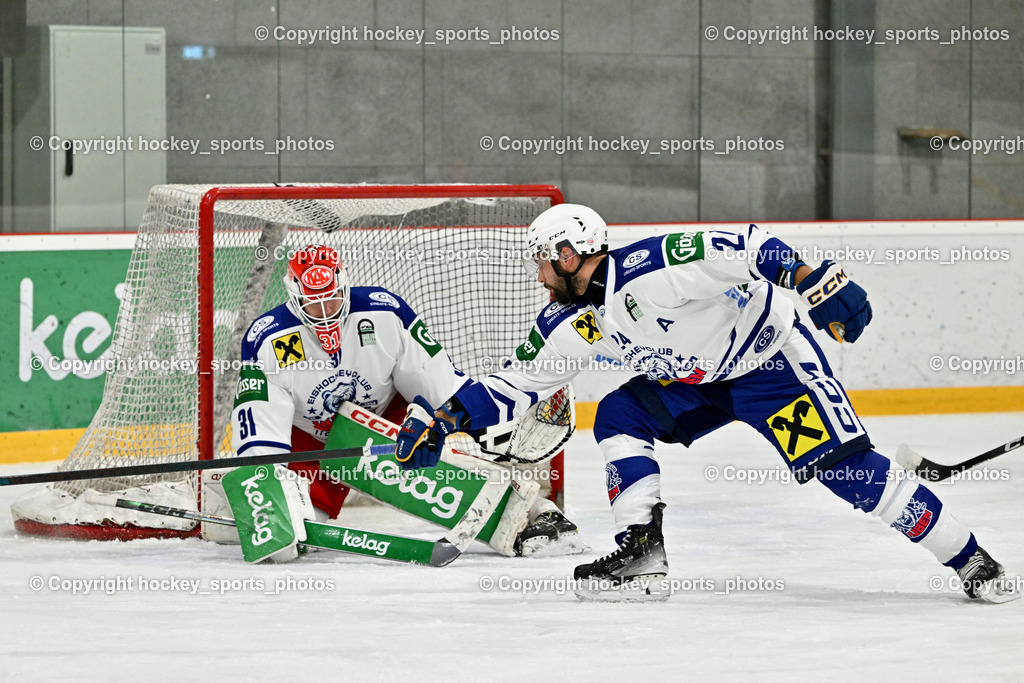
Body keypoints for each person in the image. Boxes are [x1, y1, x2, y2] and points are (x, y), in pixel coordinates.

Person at [396, 204, 1019, 603]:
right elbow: (516, 383)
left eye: (541, 262)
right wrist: (446, 420)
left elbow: (747, 244)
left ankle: (972, 560)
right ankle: (641, 550)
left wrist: (814, 281)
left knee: (851, 477)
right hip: (695, 387)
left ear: (567, 255)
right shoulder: (574, 320)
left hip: (771, 371)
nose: (537, 276)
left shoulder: (650, 267)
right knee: (618, 415)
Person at [228, 243, 580, 557]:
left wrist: (438, 423)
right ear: (295, 297)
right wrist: (266, 482)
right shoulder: (269, 338)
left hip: (388, 419)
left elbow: (436, 383)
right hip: (312, 442)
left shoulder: (385, 313)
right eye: (313, 304)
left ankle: (535, 510)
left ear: (344, 285)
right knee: (294, 536)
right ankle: (276, 509)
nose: (326, 312)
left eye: (332, 299)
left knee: (449, 456)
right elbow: (261, 425)